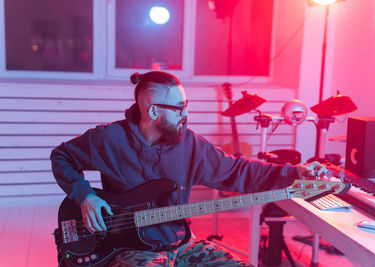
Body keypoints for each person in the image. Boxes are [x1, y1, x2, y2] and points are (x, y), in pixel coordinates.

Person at [51, 71, 328, 267]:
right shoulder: (109, 140)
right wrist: (85, 196)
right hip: (130, 247)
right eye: (180, 107)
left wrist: (293, 173)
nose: (186, 114)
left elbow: (240, 172)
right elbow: (61, 156)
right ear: (153, 112)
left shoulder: (192, 145)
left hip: (180, 242)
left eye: (186, 105)